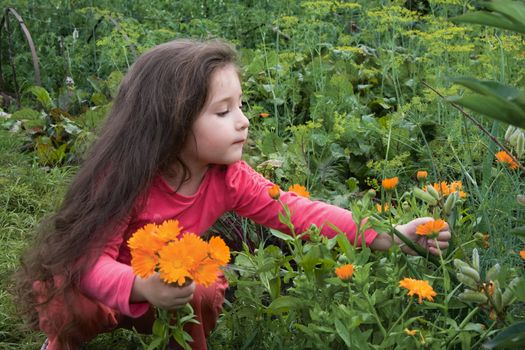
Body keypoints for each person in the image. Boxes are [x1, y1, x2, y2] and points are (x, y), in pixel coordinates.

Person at [14, 39, 451, 350]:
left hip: (170, 280)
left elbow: (296, 212)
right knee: (66, 302)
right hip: (104, 281)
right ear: (171, 124)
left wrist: (387, 234)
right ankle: (62, 342)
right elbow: (91, 263)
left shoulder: (228, 176)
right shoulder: (126, 177)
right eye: (223, 111)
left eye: (240, 105)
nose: (242, 121)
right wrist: (139, 287)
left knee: (200, 290)